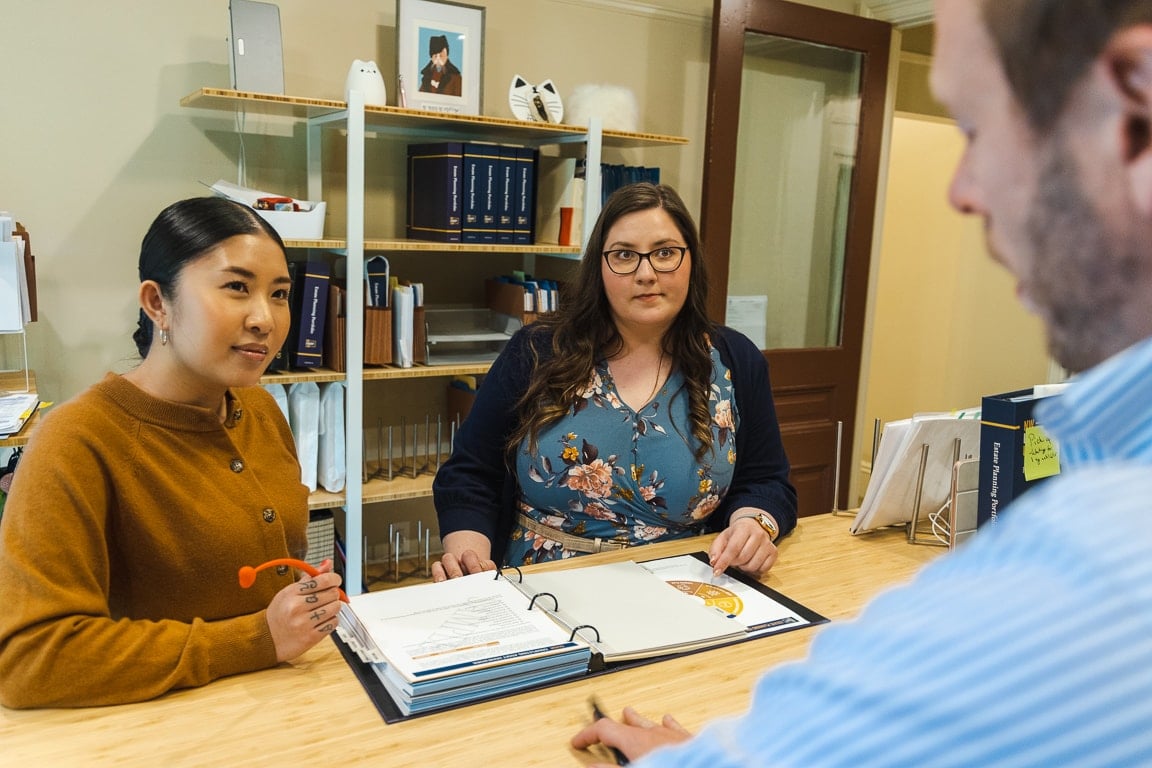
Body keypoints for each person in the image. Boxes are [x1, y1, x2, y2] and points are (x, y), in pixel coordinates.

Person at [570, 0, 1152, 765]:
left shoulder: (1091, 565)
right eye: (625, 256)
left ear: (1135, 105)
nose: (961, 192)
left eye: (976, 127)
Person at [0, 197, 344, 709]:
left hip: (274, 711)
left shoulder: (259, 409)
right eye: (236, 288)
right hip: (153, 733)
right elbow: (32, 659)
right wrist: (256, 639)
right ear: (157, 303)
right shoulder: (76, 441)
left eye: (279, 294)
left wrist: (302, 601)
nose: (264, 319)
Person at [432, 182, 797, 581]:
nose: (646, 273)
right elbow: (470, 473)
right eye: (624, 255)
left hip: (684, 586)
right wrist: (470, 560)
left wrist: (754, 525)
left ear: (690, 260)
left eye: (665, 253)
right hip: (543, 589)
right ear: (599, 267)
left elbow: (766, 481)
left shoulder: (734, 361)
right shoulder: (536, 352)